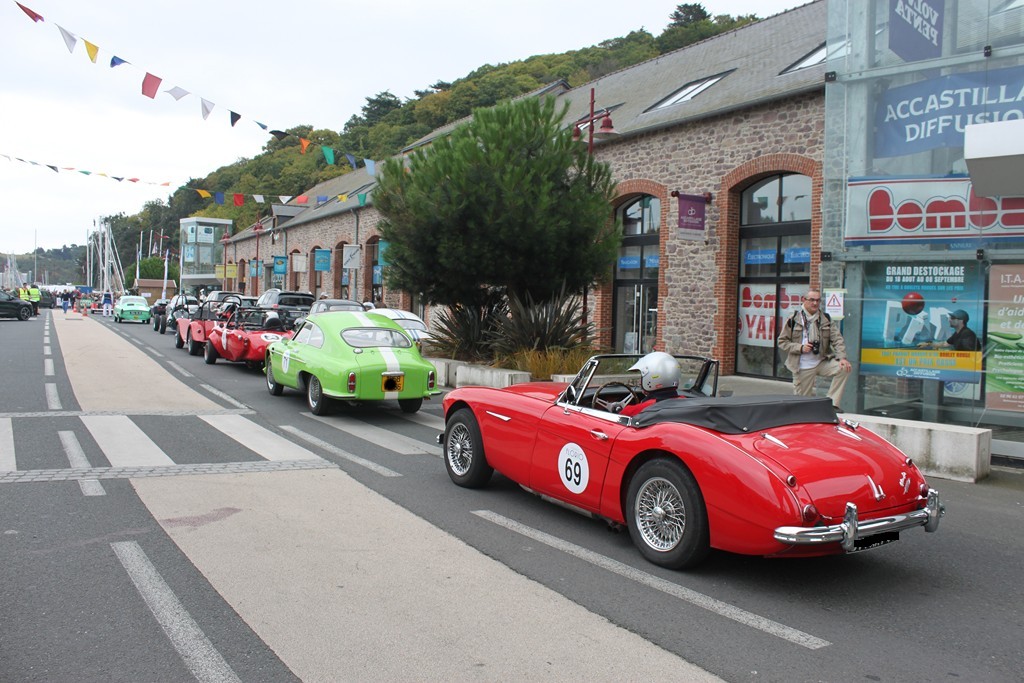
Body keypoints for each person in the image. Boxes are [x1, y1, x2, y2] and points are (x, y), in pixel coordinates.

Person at [777, 289, 852, 409]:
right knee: (802, 406)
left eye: (818, 300)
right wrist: (800, 348)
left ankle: (831, 405)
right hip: (802, 367)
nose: (815, 303)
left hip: (821, 361)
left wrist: (842, 357)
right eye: (812, 300)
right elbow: (782, 342)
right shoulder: (794, 319)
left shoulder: (825, 319)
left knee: (844, 368)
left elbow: (837, 339)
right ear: (804, 300)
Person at [610, 351, 684, 417]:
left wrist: (616, 409)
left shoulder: (642, 409)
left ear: (651, 378)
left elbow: (620, 416)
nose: (639, 382)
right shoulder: (686, 402)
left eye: (642, 377)